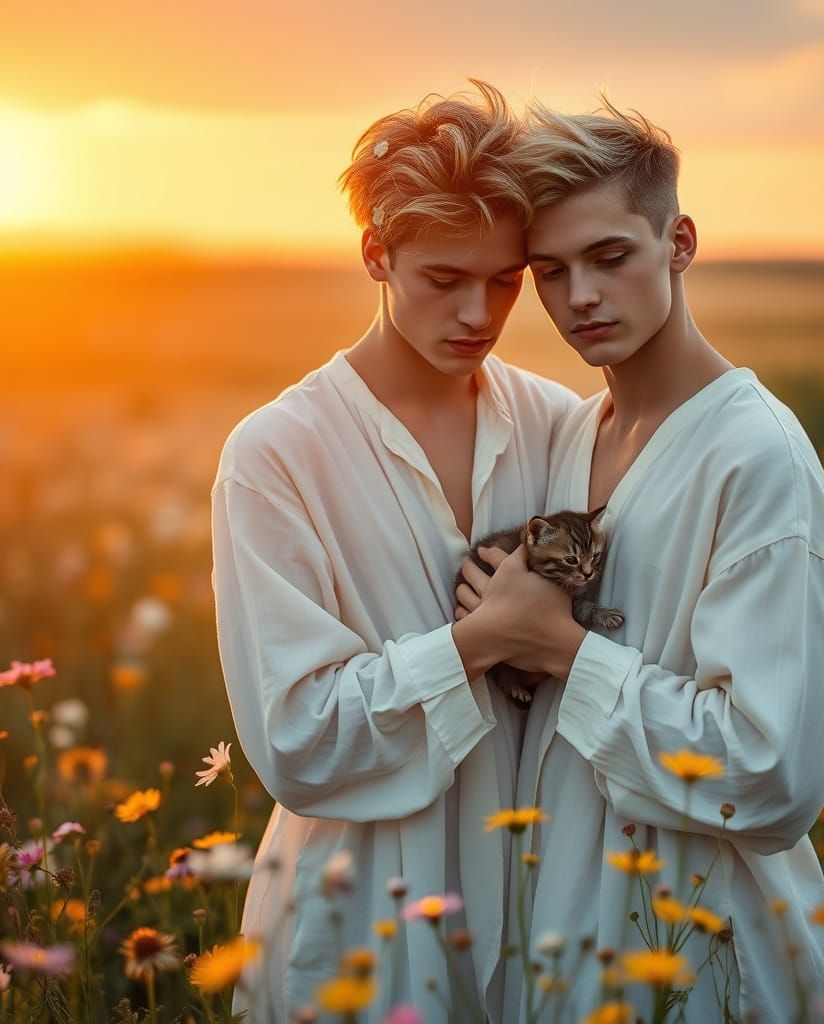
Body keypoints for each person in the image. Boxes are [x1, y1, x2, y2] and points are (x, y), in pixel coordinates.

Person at [454, 101, 824, 1022]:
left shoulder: (758, 460)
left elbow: (771, 773)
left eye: (610, 257)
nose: (579, 297)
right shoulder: (569, 439)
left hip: (707, 955)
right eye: (549, 271)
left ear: (679, 241)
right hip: (559, 939)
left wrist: (562, 651)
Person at [211, 82, 578, 1023]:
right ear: (376, 254)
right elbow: (297, 739)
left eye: (504, 279)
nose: (479, 313)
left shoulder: (556, 425)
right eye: (443, 279)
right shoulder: (275, 454)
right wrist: (478, 642)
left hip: (541, 908)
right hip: (352, 922)